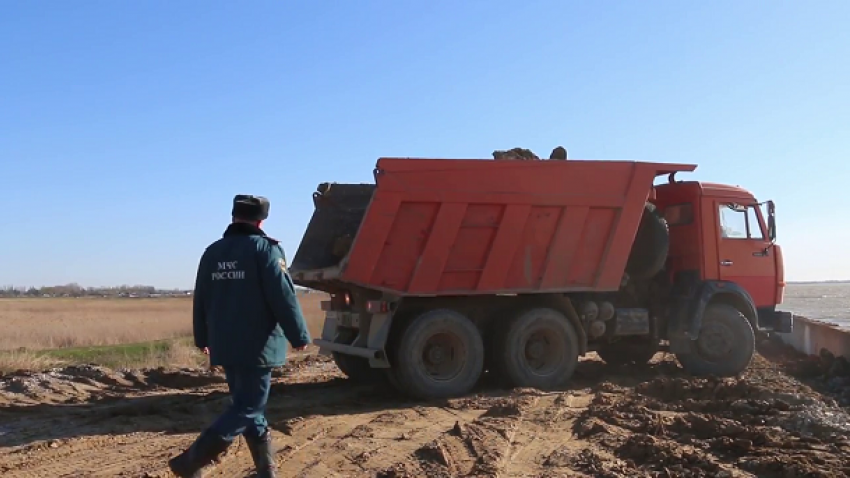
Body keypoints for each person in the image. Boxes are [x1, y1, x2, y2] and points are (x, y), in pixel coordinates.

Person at [168, 194, 311, 478]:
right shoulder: (266, 250)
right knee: (250, 406)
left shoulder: (213, 252)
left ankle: (266, 471)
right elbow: (283, 297)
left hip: (224, 344)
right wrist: (299, 335)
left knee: (247, 407)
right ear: (261, 221)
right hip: (257, 345)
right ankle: (191, 461)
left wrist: (202, 338)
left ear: (234, 216)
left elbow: (201, 298)